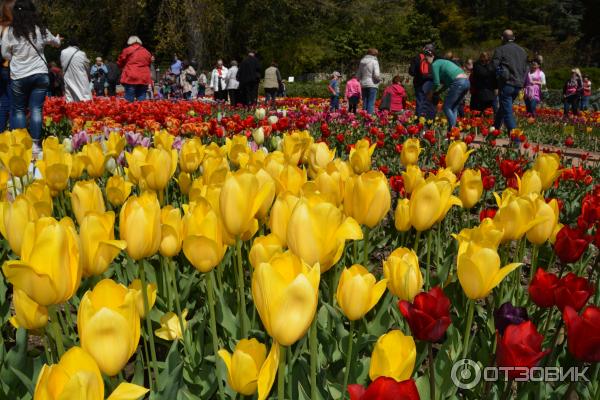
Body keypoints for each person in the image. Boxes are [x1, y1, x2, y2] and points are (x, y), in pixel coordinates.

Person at [1, 0, 61, 156]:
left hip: (19, 76)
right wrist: (58, 39)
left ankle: (22, 146)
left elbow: (5, 54)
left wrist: (17, 56)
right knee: (36, 109)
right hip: (40, 74)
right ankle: (36, 145)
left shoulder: (10, 31)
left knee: (19, 110)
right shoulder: (40, 29)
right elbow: (56, 43)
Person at [492, 29, 528, 134]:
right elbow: (526, 69)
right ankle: (494, 131)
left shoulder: (500, 50)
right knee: (503, 108)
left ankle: (515, 139)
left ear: (502, 38)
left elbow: (494, 66)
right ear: (514, 38)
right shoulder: (523, 51)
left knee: (507, 111)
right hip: (518, 84)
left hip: (506, 83)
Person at [425, 54, 470, 131]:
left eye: (427, 57)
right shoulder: (444, 63)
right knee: (454, 108)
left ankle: (453, 131)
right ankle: (453, 133)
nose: (426, 60)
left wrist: (431, 93)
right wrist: (439, 92)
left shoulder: (435, 64)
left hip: (458, 82)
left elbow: (436, 83)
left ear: (432, 57)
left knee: (446, 107)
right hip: (466, 82)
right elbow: (446, 84)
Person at [117, 35, 152, 102]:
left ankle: (130, 111)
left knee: (129, 98)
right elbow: (149, 63)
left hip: (131, 76)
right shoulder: (146, 51)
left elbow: (120, 62)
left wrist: (122, 67)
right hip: (144, 77)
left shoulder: (127, 50)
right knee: (142, 97)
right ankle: (141, 111)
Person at [409, 44, 436, 120]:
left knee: (420, 101)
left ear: (424, 49)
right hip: (431, 82)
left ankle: (419, 121)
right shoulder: (434, 57)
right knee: (429, 102)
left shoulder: (417, 57)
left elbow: (411, 72)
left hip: (419, 82)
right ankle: (430, 120)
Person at [0, 0, 14, 132]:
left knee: (3, 101)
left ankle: (1, 132)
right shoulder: (12, 28)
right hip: (9, 66)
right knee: (14, 103)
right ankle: (14, 133)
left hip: (1, 68)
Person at [357, 48, 381, 114]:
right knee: (371, 102)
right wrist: (379, 79)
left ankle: (363, 117)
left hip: (363, 84)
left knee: (365, 102)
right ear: (374, 54)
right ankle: (369, 118)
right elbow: (376, 75)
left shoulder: (362, 61)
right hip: (372, 84)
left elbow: (358, 75)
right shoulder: (374, 61)